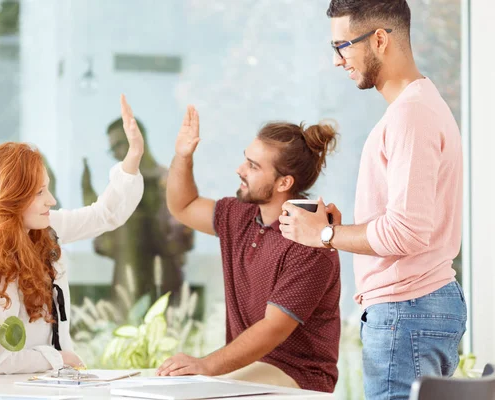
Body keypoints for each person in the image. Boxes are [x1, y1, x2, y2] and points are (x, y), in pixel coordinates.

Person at [279, 1, 466, 398]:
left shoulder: (411, 116)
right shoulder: (418, 108)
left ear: (379, 39)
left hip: (406, 309)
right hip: (417, 306)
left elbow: (407, 232)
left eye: (342, 45)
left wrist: (325, 234)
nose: (337, 60)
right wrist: (340, 230)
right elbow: (407, 224)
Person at [0, 95, 145, 374]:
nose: (52, 200)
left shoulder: (45, 229)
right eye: (40, 192)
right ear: (10, 199)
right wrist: (59, 359)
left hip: (54, 385)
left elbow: (104, 214)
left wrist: (134, 155)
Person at [156, 106, 341, 393]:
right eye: (246, 160)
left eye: (254, 166)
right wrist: (183, 156)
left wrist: (205, 366)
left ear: (284, 182)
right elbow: (183, 206)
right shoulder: (239, 214)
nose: (240, 170)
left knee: (196, 394)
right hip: (249, 368)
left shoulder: (311, 242)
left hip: (299, 377)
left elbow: (273, 328)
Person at [81, 117, 194, 309]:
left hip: (164, 291)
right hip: (127, 290)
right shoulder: (118, 190)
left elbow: (182, 239)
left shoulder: (169, 182)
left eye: (119, 145)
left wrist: (144, 221)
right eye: (112, 149)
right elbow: (105, 245)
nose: (116, 154)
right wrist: (91, 204)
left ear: (137, 141)